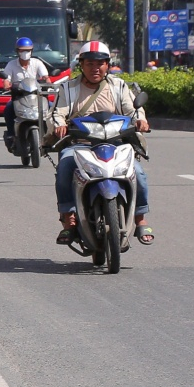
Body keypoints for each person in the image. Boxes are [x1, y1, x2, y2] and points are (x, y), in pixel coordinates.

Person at [50, 41, 153, 245]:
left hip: (116, 144)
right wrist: (59, 125)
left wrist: (140, 120)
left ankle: (140, 218)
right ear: (81, 65)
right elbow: (57, 113)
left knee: (138, 173)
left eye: (100, 64)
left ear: (107, 65)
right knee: (64, 167)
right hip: (80, 144)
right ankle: (69, 219)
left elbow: (132, 110)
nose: (95, 68)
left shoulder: (119, 86)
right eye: (89, 64)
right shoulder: (68, 88)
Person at [0, 35, 51, 143]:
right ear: (17, 51)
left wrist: (47, 82)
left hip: (37, 96)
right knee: (8, 109)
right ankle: (11, 134)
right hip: (19, 97)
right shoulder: (11, 64)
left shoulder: (37, 63)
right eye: (22, 50)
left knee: (52, 107)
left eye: (28, 50)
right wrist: (6, 84)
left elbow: (45, 77)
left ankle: (52, 133)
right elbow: (6, 80)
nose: (25, 53)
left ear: (32, 51)